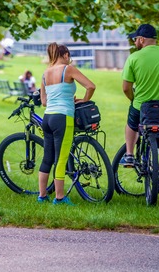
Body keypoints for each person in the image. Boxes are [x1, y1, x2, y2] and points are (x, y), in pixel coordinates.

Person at [120, 24, 159, 203]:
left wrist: (133, 99)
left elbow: (126, 88)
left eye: (135, 39)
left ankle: (130, 154)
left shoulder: (134, 58)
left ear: (141, 39)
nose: (134, 42)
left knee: (132, 122)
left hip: (142, 109)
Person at [38, 43, 96, 205]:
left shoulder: (45, 73)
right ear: (65, 55)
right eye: (69, 56)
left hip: (48, 117)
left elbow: (43, 101)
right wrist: (84, 100)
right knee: (61, 159)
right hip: (63, 118)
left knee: (47, 158)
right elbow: (91, 86)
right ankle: (60, 197)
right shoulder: (67, 69)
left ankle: (42, 196)